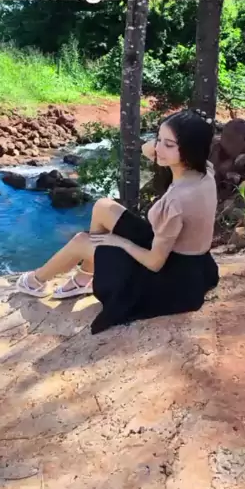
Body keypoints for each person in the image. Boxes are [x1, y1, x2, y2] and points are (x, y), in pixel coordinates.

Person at [16, 108, 219, 334]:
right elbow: (148, 149)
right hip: (192, 263)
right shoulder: (204, 170)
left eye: (168, 145)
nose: (158, 149)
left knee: (82, 241)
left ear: (190, 150)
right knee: (103, 206)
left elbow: (154, 263)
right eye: (158, 139)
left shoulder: (177, 200)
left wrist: (121, 242)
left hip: (173, 280)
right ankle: (85, 277)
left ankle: (35, 281)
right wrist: (166, 140)